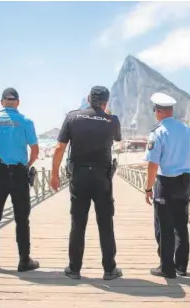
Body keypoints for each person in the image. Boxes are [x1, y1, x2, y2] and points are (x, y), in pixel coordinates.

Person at [50, 86, 122, 280]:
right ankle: (109, 269)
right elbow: (117, 138)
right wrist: (106, 115)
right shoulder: (112, 120)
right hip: (102, 178)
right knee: (105, 223)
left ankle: (74, 269)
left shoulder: (72, 117)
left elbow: (59, 148)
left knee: (78, 223)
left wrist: (54, 174)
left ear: (89, 98)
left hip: (79, 177)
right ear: (106, 102)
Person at [0, 87, 40, 272]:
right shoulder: (26, 121)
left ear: (2, 102)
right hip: (19, 173)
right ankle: (24, 260)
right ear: (18, 102)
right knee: (22, 219)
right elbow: (35, 150)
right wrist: (26, 166)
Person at [143, 92, 190, 279]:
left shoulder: (157, 133)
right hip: (185, 182)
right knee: (181, 225)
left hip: (166, 183)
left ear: (158, 112)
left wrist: (148, 188)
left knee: (164, 226)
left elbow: (153, 165)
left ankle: (167, 268)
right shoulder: (187, 130)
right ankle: (181, 266)